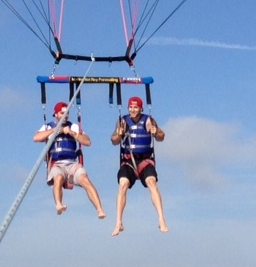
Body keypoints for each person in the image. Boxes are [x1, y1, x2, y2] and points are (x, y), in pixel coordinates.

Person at [34, 102, 105, 218]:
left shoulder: (73, 127)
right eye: (62, 113)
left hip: (72, 163)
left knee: (85, 180)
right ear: (56, 114)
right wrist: (55, 130)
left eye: (67, 113)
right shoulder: (48, 126)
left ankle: (99, 209)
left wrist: (73, 134)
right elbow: (36, 138)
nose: (65, 116)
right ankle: (58, 204)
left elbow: (87, 141)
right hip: (56, 164)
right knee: (59, 178)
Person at [110, 95, 167, 235]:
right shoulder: (122, 121)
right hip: (128, 160)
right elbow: (114, 140)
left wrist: (156, 132)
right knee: (123, 185)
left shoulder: (148, 120)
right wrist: (119, 134)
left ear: (140, 108)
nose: (133, 110)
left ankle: (161, 219)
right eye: (130, 107)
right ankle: (118, 222)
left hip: (145, 160)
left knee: (152, 182)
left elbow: (161, 136)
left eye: (135, 107)